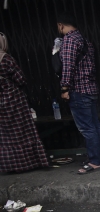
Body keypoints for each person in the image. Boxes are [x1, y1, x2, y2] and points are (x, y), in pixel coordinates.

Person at [57, 12, 100, 175]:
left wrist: (64, 89)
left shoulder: (69, 40)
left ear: (60, 25)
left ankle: (95, 161)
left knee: (87, 128)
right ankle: (98, 157)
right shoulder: (83, 39)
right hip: (90, 89)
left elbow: (68, 67)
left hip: (79, 90)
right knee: (95, 125)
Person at [0, 32, 49, 173]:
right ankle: (26, 164)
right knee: (22, 132)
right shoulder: (6, 59)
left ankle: (7, 166)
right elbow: (21, 79)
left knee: (4, 135)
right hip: (13, 100)